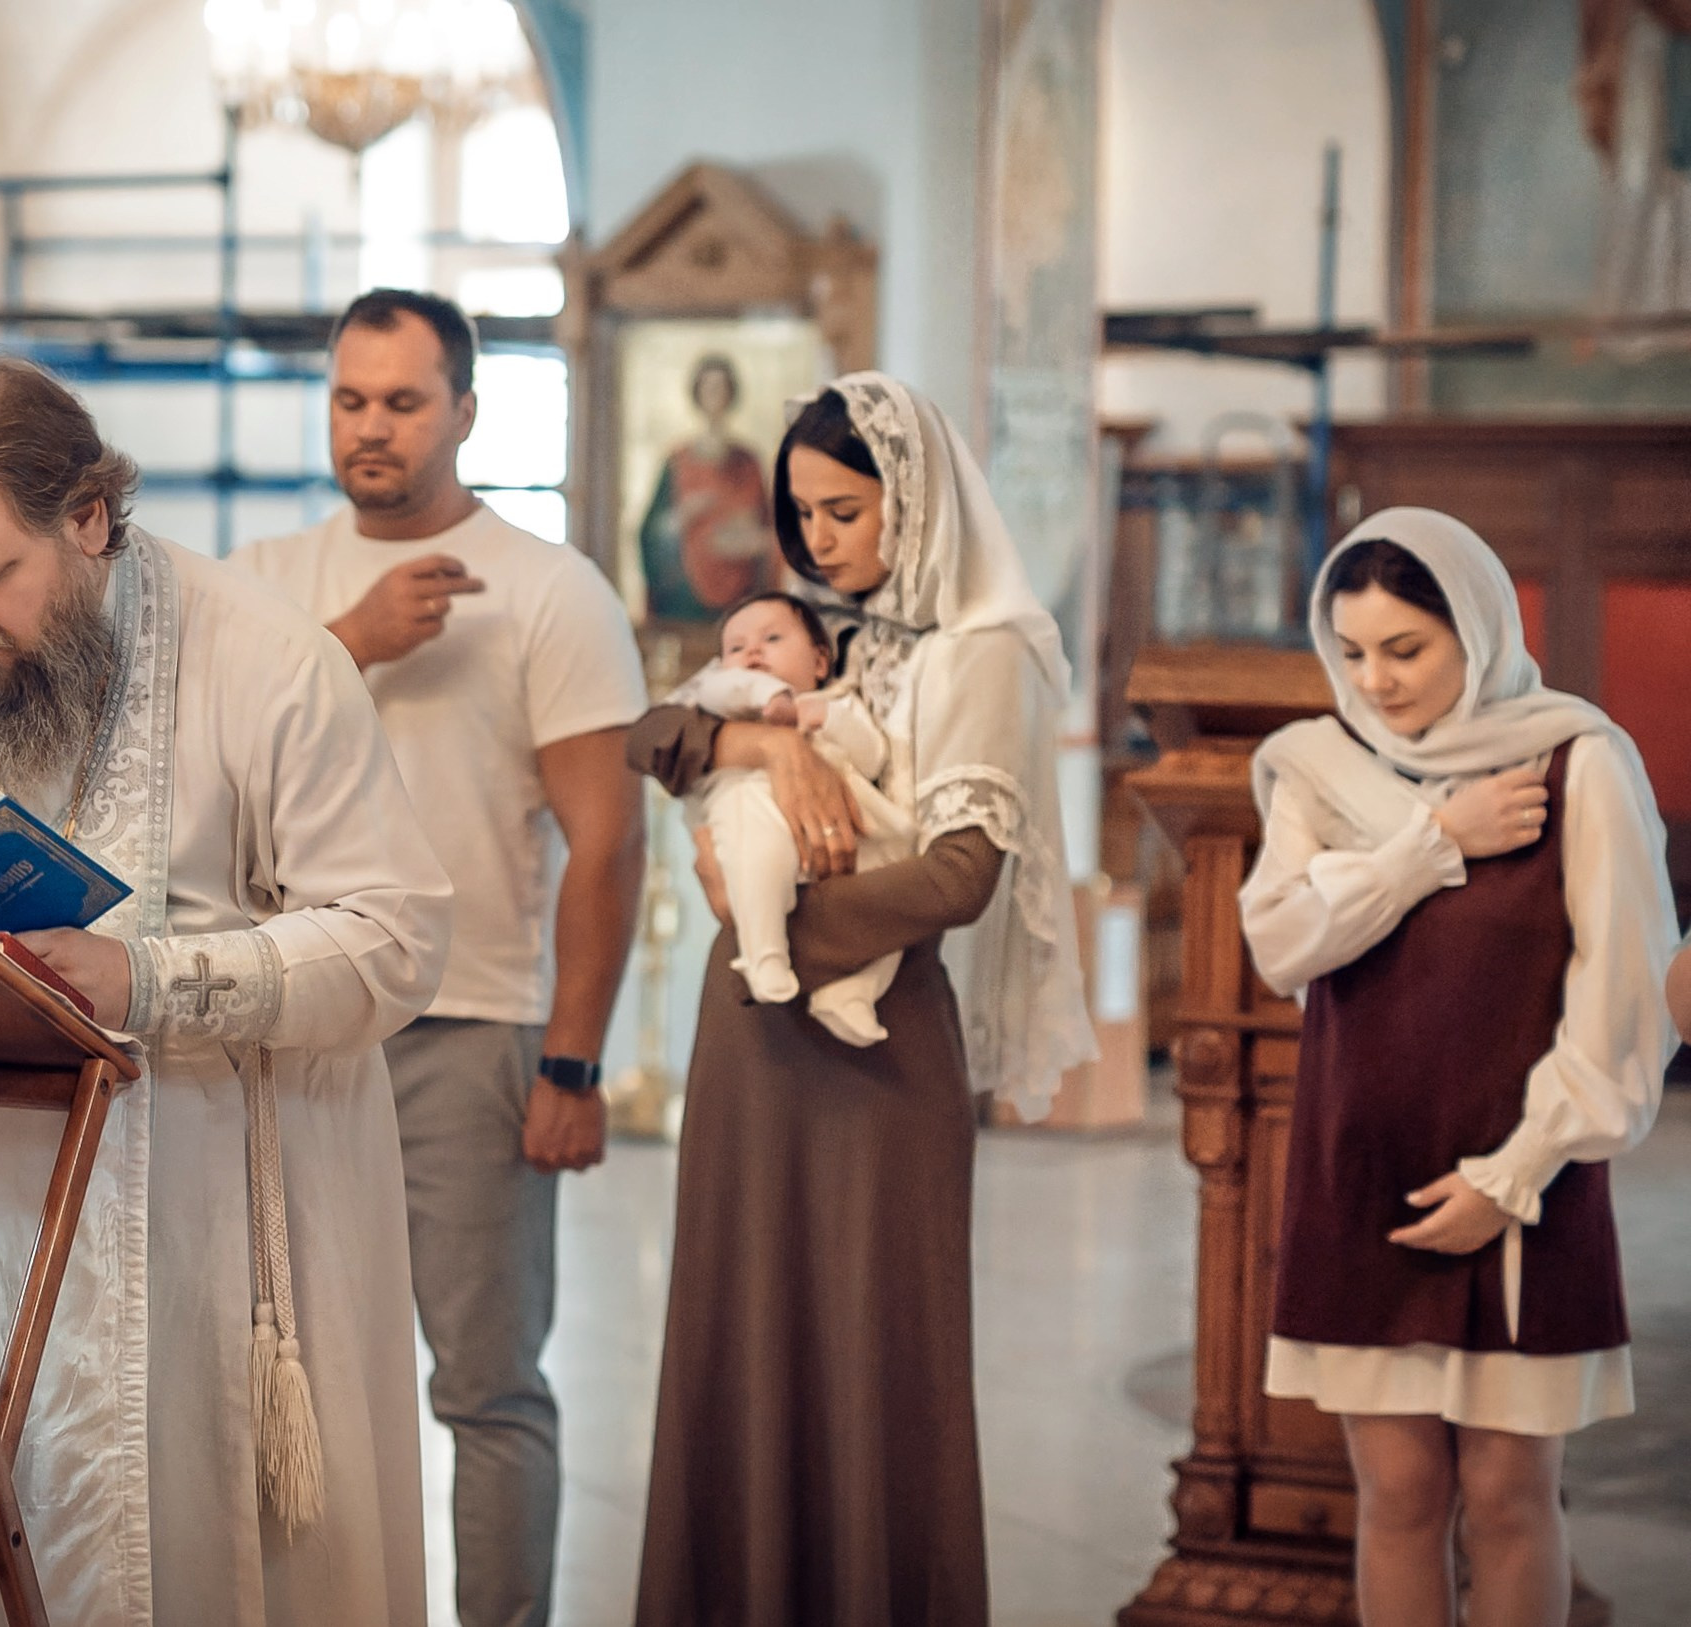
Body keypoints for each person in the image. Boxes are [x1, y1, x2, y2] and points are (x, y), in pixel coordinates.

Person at [0, 354, 452, 1626]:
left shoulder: (270, 662)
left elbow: (395, 938)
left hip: (207, 1227)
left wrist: (148, 977)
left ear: (88, 516)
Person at [625, 371, 1094, 1626]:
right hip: (749, 1047)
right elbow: (654, 736)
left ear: (918, 501)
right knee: (739, 1337)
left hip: (877, 1054)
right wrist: (765, 743)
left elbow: (960, 876)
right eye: (802, 514)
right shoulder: (812, 634)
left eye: (843, 511)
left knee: (877, 1358)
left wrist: (759, 919)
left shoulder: (979, 650)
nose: (819, 539)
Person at [228, 288, 646, 1627]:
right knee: (291, 1371)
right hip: (288, 1021)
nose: (373, 427)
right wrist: (350, 644)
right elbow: (205, 773)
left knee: (485, 1384)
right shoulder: (267, 582)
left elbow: (610, 842)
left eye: (404, 401)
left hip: (471, 1030)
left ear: (465, 411)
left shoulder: (548, 589)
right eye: (352, 398)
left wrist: (572, 1059)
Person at [1240, 510, 1677, 1627]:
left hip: (1526, 1178)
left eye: (1404, 649)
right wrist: (1432, 841)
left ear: (1474, 635)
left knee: (1507, 1495)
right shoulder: (1317, 768)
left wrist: (1513, 1174)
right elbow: (1283, 942)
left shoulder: (1579, 760)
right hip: (1361, 1177)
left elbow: (1624, 998)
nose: (1373, 681)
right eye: (1349, 650)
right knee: (1394, 1493)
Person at [675, 590, 917, 1044]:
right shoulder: (722, 712)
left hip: (848, 833)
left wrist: (820, 716)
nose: (752, 652)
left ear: (820, 662)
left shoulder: (840, 704)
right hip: (757, 817)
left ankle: (851, 994)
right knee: (753, 837)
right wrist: (770, 697)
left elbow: (872, 755)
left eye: (772, 637)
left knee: (894, 884)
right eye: (736, 647)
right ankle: (764, 954)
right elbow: (719, 688)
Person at [638, 352, 779, 620]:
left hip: (739, 594)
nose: (716, 396)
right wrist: (681, 517)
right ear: (697, 393)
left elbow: (769, 530)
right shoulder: (677, 463)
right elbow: (650, 535)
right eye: (709, 388)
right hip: (686, 597)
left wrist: (752, 539)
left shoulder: (748, 463)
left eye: (722, 388)